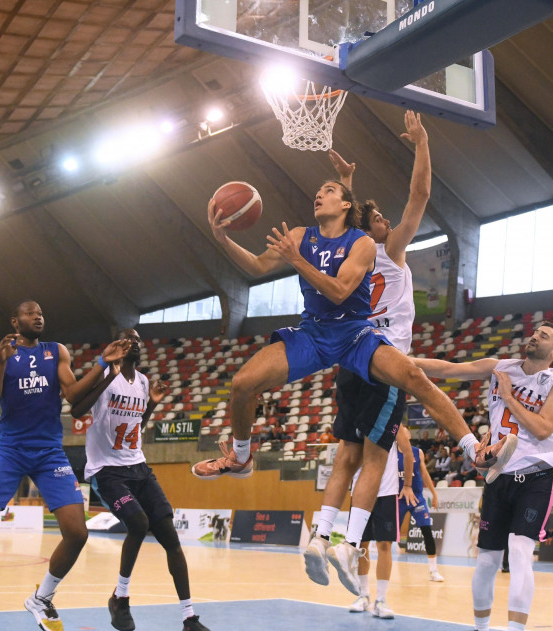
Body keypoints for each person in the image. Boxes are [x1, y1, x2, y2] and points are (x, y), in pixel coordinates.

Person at [191, 111, 517, 599]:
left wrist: (418, 145)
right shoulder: (302, 234)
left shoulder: (368, 244)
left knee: (410, 386)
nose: (316, 193)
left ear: (344, 205)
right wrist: (223, 238)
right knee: (242, 384)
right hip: (315, 335)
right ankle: (241, 458)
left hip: (356, 335)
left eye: (328, 190)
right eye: (319, 190)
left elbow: (346, 290)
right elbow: (259, 265)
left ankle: (475, 452)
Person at [297, 113, 517, 595]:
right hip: (383, 362)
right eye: (379, 219)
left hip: (350, 359)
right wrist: (422, 143)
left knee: (347, 456)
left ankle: (321, 536)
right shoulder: (386, 249)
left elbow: (347, 220)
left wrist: (348, 183)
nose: (387, 222)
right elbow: (419, 197)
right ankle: (469, 450)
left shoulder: (346, 250)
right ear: (374, 227)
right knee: (378, 453)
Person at [0, 301, 130, 631]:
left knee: (78, 533)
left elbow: (74, 395)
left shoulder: (56, 351)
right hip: (9, 451)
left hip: (49, 453)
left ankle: (42, 598)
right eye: (31, 312)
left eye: (41, 313)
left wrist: (101, 364)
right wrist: (1, 364)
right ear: (15, 321)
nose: (38, 316)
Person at [413, 320, 553, 631]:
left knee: (518, 553)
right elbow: (449, 369)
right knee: (485, 561)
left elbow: (544, 429)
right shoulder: (501, 367)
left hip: (536, 476)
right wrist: (399, 360)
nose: (534, 336)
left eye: (544, 336)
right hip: (498, 475)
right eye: (534, 332)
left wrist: (510, 397)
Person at [70, 327, 211, 631]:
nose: (132, 343)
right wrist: (106, 374)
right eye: (125, 339)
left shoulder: (145, 382)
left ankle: (189, 617)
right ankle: (120, 599)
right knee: (137, 522)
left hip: (138, 466)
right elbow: (76, 410)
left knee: (170, 537)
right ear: (116, 346)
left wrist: (152, 405)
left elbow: (137, 426)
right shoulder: (105, 374)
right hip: (107, 471)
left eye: (136, 340)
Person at [348, 433, 411, 618]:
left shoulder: (393, 418)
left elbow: (407, 452)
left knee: (385, 545)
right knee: (362, 546)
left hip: (387, 492)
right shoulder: (356, 418)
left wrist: (407, 485)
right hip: (361, 492)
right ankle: (363, 595)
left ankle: (381, 600)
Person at [396, 425, 443, 582]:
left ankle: (433, 570)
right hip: (399, 498)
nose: (402, 432)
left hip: (416, 498)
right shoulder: (391, 454)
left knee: (426, 530)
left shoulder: (418, 452)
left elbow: (424, 474)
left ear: (408, 434)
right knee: (389, 535)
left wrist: (434, 494)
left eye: (404, 429)